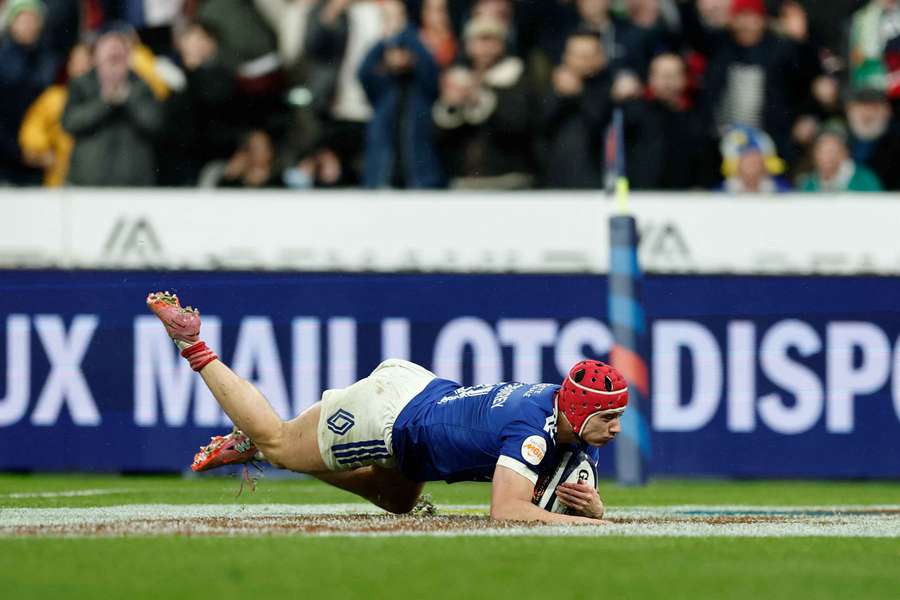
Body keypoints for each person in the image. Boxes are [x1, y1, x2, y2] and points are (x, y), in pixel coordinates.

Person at [146, 291, 627, 524]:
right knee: (280, 441)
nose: (617, 428)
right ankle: (192, 344)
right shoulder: (533, 427)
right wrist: (587, 525)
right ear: (580, 411)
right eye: (609, 417)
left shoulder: (565, 418)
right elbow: (507, 510)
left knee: (399, 501)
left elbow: (566, 491)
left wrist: (596, 509)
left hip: (422, 400)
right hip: (393, 418)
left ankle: (259, 451)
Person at [357, 0, 444, 189]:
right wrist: (385, 40)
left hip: (420, 179)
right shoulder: (383, 88)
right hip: (382, 177)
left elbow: (431, 71)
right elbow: (362, 72)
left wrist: (406, 33)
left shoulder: (421, 87)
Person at [62, 29, 164, 186]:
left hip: (133, 186)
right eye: (110, 55)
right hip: (86, 184)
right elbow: (69, 123)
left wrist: (128, 98)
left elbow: (155, 124)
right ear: (96, 57)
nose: (114, 59)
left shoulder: (142, 86)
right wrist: (104, 102)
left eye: (119, 55)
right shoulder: (81, 84)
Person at [541, 31, 613, 189]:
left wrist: (579, 93)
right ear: (566, 57)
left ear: (601, 58)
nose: (584, 61)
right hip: (553, 181)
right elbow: (540, 126)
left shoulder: (611, 88)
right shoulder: (549, 87)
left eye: (589, 55)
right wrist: (560, 95)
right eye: (578, 55)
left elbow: (599, 124)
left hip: (598, 180)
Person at [798, 126, 883, 192]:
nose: (828, 157)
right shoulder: (809, 184)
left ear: (845, 153)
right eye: (823, 151)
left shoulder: (865, 179)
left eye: (833, 150)